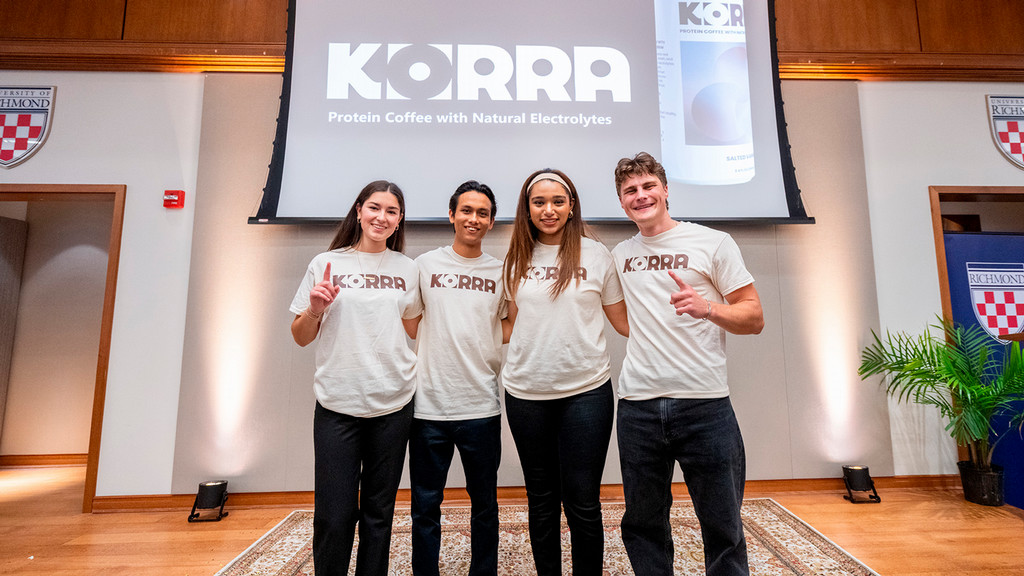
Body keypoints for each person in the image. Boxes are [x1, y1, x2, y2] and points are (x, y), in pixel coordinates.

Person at [611, 152, 764, 576]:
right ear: (622, 203)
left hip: (704, 404)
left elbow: (753, 317)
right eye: (630, 191)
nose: (640, 196)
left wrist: (708, 308)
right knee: (642, 523)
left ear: (664, 189)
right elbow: (626, 320)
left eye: (647, 187)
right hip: (638, 405)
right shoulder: (621, 253)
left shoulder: (712, 242)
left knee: (722, 523)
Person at [289, 180, 422, 576]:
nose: (382, 217)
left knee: (379, 514)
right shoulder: (327, 263)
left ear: (399, 221)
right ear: (359, 210)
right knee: (334, 513)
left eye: (392, 212)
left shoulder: (407, 268)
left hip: (393, 404)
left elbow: (412, 328)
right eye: (375, 208)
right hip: (337, 406)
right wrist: (314, 308)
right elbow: (299, 337)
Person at [501, 168, 629, 576]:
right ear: (527, 209)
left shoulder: (596, 255)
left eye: (558, 201)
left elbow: (623, 321)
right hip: (526, 393)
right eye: (539, 202)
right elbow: (512, 324)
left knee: (583, 500)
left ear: (572, 206)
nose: (549, 209)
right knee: (541, 499)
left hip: (586, 393)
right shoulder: (515, 258)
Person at [405, 181, 507, 576]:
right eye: (466, 211)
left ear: (491, 222)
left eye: (482, 213)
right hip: (429, 406)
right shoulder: (425, 265)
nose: (474, 219)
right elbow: (411, 323)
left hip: (481, 405)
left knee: (485, 505)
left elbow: (509, 321)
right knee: (425, 505)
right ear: (452, 215)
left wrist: (483, 344)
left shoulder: (500, 270)